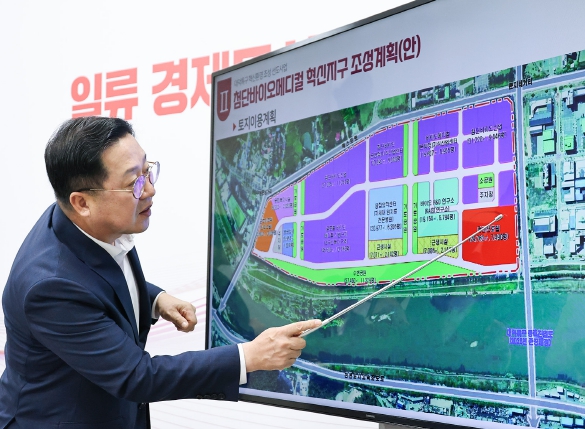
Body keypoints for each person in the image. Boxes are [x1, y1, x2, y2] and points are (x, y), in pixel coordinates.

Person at [0, 116, 321, 429]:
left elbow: (94, 277)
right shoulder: (49, 288)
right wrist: (248, 356)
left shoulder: (81, 220)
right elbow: (137, 377)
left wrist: (155, 298)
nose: (150, 189)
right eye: (134, 183)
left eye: (147, 171)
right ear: (82, 202)